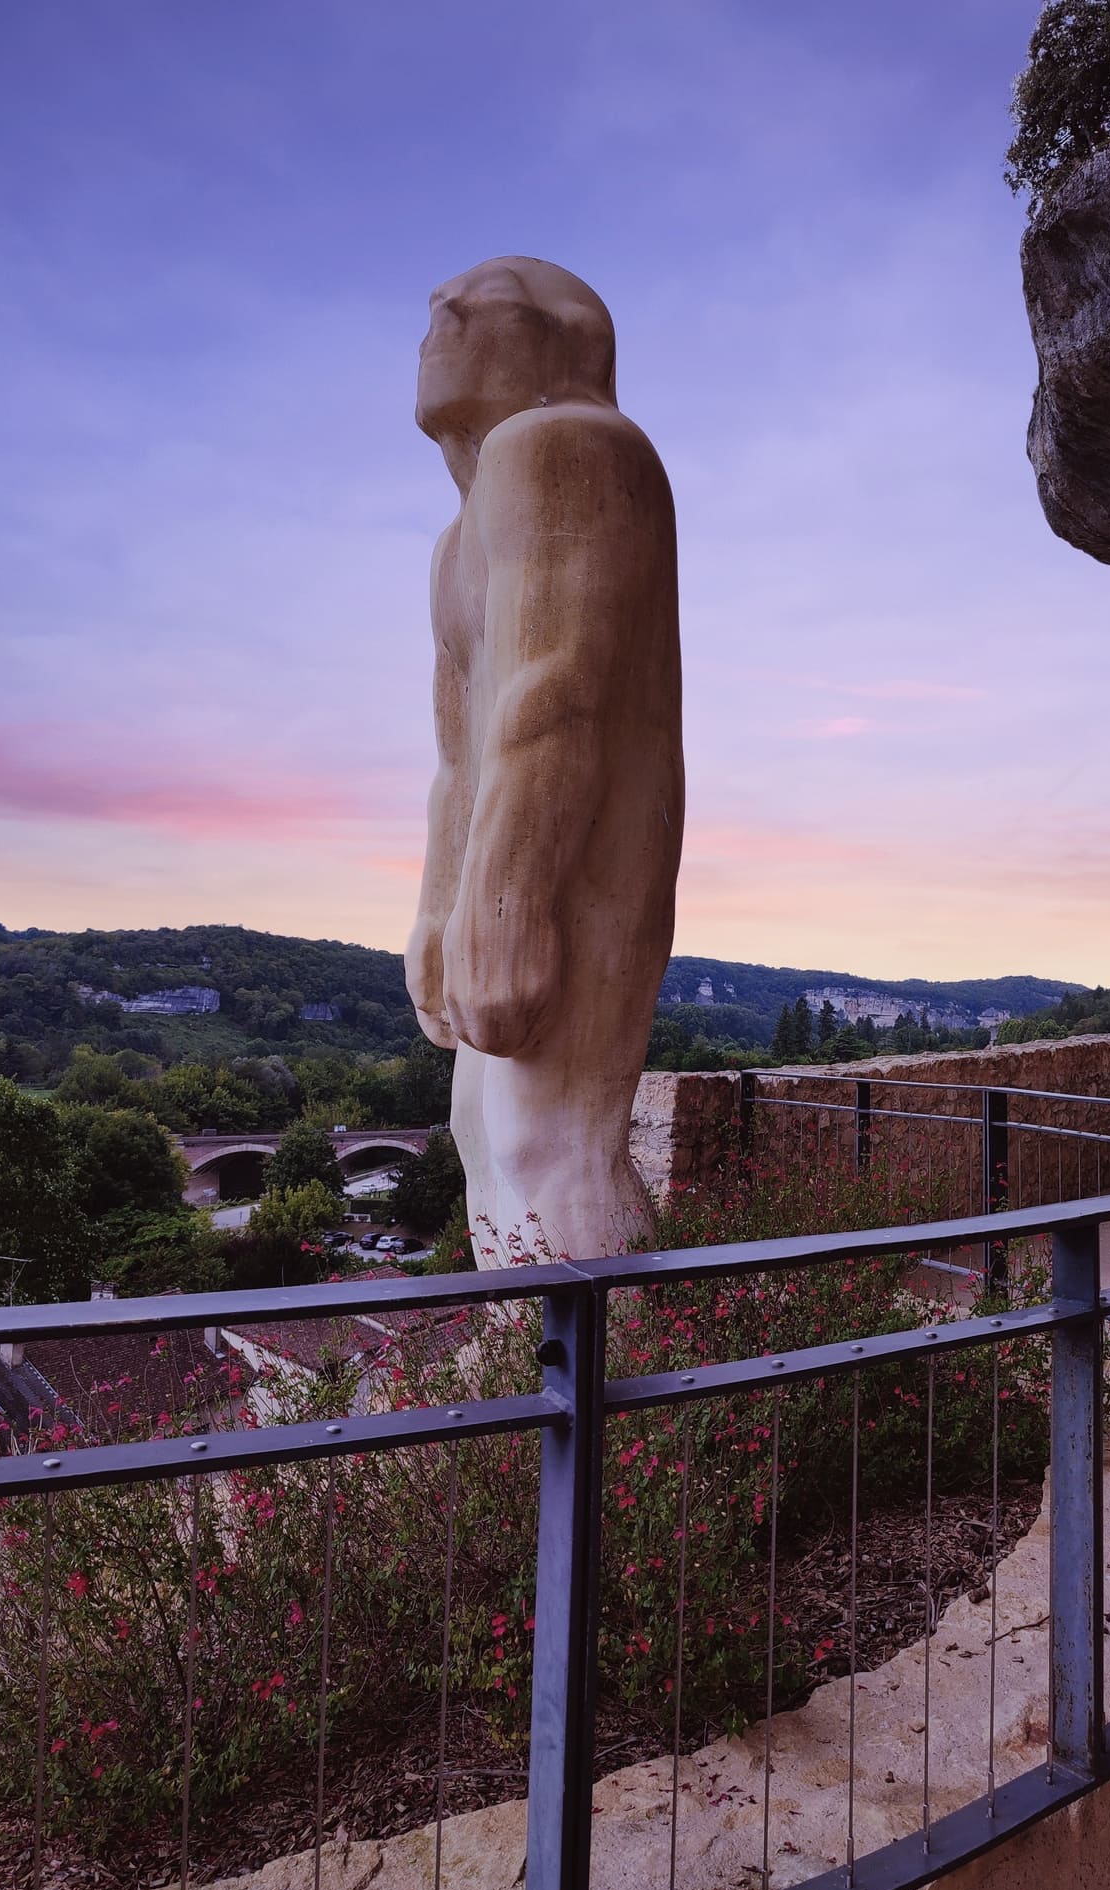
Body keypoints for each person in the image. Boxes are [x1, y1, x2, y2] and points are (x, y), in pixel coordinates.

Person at [405, 257, 684, 1265]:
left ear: (565, 342)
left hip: (578, 857)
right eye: (442, 309)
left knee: (548, 1142)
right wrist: (440, 909)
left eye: (485, 311)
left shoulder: (567, 442)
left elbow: (561, 689)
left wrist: (507, 904)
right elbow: (457, 755)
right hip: (510, 857)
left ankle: (619, 1370)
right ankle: (531, 1356)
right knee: (483, 1137)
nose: (443, 317)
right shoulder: (455, 539)